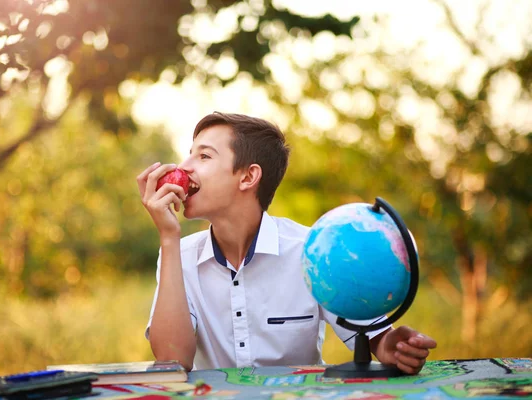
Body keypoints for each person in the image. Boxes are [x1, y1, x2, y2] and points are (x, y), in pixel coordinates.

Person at [136, 112, 437, 373]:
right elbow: (173, 360)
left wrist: (390, 346)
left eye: (203, 156)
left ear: (248, 177)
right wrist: (168, 238)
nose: (184, 166)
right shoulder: (180, 254)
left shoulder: (316, 250)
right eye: (189, 153)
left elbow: (377, 339)